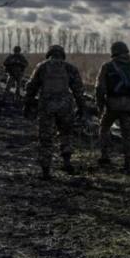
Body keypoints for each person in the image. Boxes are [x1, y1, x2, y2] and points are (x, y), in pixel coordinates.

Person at [24, 45, 85, 180]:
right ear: (62, 54)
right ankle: (67, 162)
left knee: (45, 137)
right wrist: (82, 108)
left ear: (49, 54)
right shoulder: (70, 68)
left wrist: (27, 104)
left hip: (46, 105)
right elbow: (78, 90)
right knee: (66, 134)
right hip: (66, 106)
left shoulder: (42, 66)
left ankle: (46, 170)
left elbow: (31, 87)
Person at [95, 41, 130, 174]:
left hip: (112, 105)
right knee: (128, 135)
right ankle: (128, 164)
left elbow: (99, 88)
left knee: (104, 128)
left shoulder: (107, 67)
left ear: (113, 52)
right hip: (129, 106)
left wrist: (100, 105)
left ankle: (105, 156)